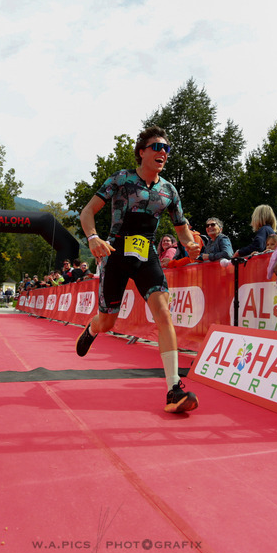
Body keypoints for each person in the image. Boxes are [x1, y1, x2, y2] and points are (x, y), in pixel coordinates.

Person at [76, 125, 202, 413]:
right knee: (108, 321)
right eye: (157, 147)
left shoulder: (169, 190)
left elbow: (182, 229)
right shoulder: (121, 180)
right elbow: (87, 212)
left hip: (147, 254)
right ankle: (93, 328)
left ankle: (173, 388)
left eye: (166, 149)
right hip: (115, 254)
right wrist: (93, 238)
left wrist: (190, 245)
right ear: (142, 151)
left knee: (164, 312)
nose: (163, 153)